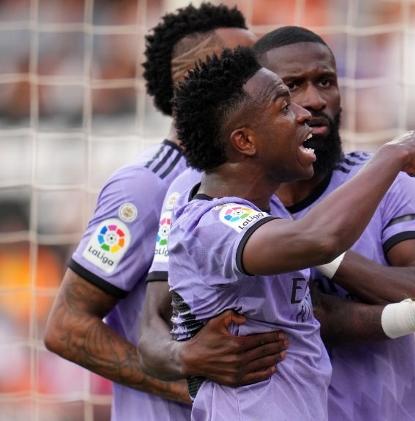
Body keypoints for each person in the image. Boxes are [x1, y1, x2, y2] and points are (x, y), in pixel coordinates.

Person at [168, 46, 415, 419]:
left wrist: (413, 313)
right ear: (245, 141)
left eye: (325, 82)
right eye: (284, 106)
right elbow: (318, 240)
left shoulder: (268, 217)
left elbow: (317, 314)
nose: (304, 113)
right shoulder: (210, 223)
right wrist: (392, 156)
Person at [43, 4, 280, 421]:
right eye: (245, 64)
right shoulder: (146, 187)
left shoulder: (258, 184)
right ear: (197, 80)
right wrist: (191, 387)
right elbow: (66, 326)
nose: (265, 76)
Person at [254, 26, 415, 420]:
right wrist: (314, 243)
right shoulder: (234, 204)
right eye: (292, 86)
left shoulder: (386, 183)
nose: (314, 100)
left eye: (326, 82)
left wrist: (320, 250)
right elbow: (309, 315)